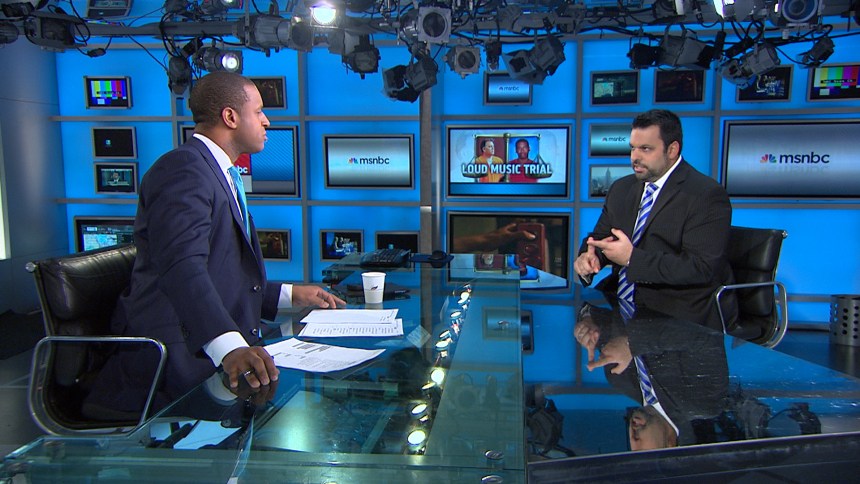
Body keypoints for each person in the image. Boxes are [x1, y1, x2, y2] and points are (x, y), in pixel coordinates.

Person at [85, 72, 344, 417]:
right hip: (174, 362)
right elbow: (181, 267)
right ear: (230, 117)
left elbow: (220, 273)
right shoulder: (183, 170)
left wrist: (291, 294)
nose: (267, 121)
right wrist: (229, 348)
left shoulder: (216, 172)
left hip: (208, 351)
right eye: (259, 112)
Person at [573, 109, 736, 331]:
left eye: (646, 149)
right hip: (618, 304)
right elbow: (600, 238)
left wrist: (631, 259)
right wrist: (589, 257)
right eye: (632, 148)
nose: (635, 157)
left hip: (674, 315)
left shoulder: (705, 194)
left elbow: (701, 268)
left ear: (672, 150)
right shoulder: (622, 188)